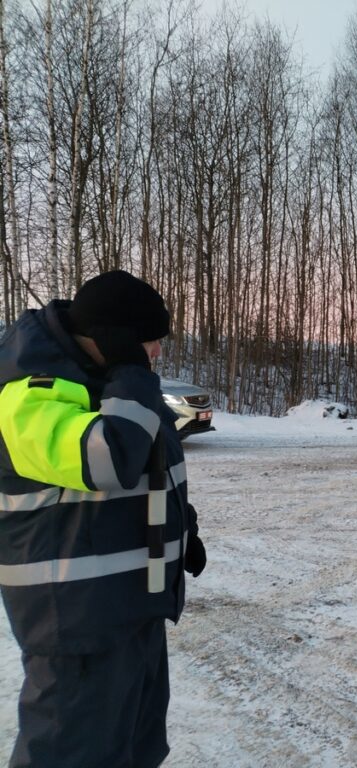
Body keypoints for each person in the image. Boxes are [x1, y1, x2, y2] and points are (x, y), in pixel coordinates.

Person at [0, 270, 206, 767]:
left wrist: (185, 527)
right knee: (72, 754)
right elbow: (110, 460)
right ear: (111, 338)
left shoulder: (110, 383)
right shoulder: (30, 396)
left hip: (130, 608)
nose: (155, 353)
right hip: (76, 620)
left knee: (136, 748)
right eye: (150, 341)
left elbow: (152, 469)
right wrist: (133, 373)